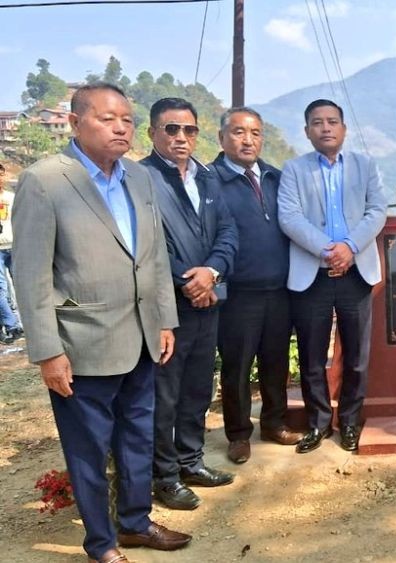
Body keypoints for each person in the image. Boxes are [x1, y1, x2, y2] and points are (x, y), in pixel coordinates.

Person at [13, 83, 191, 563]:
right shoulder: (46, 180)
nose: (120, 127)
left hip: (141, 338)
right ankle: (101, 544)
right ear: (74, 123)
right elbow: (30, 274)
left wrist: (164, 321)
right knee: (89, 450)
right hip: (81, 344)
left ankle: (134, 522)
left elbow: (152, 259)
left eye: (127, 120)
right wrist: (47, 350)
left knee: (138, 436)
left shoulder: (138, 178)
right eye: (107, 118)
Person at [141, 97, 238, 510]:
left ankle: (191, 461)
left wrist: (211, 273)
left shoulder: (209, 177)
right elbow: (149, 245)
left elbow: (228, 232)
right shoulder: (141, 178)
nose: (182, 137)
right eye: (172, 129)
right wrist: (189, 280)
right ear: (153, 133)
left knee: (199, 387)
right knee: (166, 394)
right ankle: (164, 477)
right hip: (168, 307)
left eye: (190, 130)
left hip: (209, 299)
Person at [278, 99, 387, 454]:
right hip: (314, 273)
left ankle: (351, 421)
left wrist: (349, 248)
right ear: (307, 130)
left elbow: (377, 211)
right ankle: (319, 423)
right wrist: (329, 250)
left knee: (356, 354)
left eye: (332, 121)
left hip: (356, 271)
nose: (326, 128)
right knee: (312, 355)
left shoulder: (365, 166)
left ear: (343, 128)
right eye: (317, 122)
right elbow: (290, 218)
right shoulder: (293, 170)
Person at [211, 107, 301, 465]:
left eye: (256, 133)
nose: (248, 140)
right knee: (237, 365)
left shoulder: (276, 178)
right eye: (238, 132)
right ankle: (237, 434)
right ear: (221, 138)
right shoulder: (210, 181)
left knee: (276, 362)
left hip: (279, 289)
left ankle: (274, 423)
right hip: (238, 293)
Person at [0, 161, 23, 344]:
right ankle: (12, 324)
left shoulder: (10, 197)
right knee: (1, 288)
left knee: (23, 285)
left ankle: (29, 323)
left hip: (15, 245)